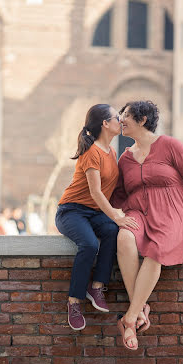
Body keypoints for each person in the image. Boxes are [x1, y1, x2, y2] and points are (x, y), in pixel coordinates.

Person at [110, 100, 183, 351]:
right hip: (139, 212)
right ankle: (140, 309)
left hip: (173, 212)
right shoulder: (125, 158)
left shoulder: (170, 145)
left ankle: (130, 318)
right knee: (124, 238)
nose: (120, 120)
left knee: (156, 250)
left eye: (125, 115)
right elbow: (119, 196)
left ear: (142, 120)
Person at [55, 104, 139, 331]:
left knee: (112, 232)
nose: (120, 120)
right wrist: (116, 216)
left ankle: (97, 286)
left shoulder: (111, 152)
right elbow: (96, 192)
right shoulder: (91, 152)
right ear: (105, 123)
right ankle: (74, 303)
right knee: (90, 244)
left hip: (94, 213)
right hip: (71, 211)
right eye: (116, 117)